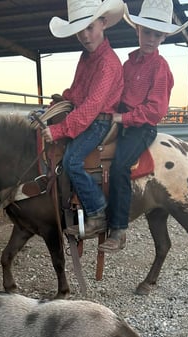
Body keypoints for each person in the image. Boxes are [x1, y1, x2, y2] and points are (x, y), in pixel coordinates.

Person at [99, 0, 188, 252]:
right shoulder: (128, 64)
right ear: (138, 30)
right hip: (120, 120)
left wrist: (123, 118)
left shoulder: (160, 68)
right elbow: (115, 93)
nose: (151, 39)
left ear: (163, 37)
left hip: (141, 126)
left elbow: (155, 109)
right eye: (147, 32)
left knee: (119, 166)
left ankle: (119, 229)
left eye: (157, 35)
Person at [42, 0, 125, 238]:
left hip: (99, 121)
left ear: (103, 23)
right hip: (85, 115)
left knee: (72, 161)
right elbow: (77, 91)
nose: (85, 36)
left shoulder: (108, 63)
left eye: (90, 27)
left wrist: (59, 130)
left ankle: (97, 213)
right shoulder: (86, 56)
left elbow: (91, 106)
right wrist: (59, 103)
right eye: (80, 30)